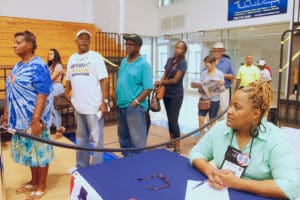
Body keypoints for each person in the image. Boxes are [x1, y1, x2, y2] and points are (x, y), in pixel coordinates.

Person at [189, 80, 300, 199]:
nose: (229, 111)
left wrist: (237, 183)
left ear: (255, 114)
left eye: (237, 107)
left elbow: (291, 186)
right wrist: (211, 171)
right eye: (230, 105)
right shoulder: (220, 128)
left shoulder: (275, 139)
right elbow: (196, 153)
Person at [3, 30, 53, 200]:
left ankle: (42, 185)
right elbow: (12, 90)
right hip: (19, 119)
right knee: (29, 152)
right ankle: (34, 181)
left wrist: (36, 119)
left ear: (29, 45)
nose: (14, 45)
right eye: (14, 42)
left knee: (40, 152)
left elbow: (43, 93)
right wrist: (6, 112)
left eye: (18, 42)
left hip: (35, 118)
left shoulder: (38, 65)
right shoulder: (18, 65)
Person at [65, 30, 109, 168]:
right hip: (78, 106)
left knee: (96, 140)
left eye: (86, 39)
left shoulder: (96, 57)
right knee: (81, 137)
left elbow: (104, 81)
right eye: (81, 38)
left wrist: (105, 102)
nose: (84, 40)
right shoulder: (72, 58)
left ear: (90, 42)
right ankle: (81, 165)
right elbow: (69, 79)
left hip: (94, 106)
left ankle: (97, 167)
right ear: (76, 41)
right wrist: (66, 92)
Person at [116, 33, 153, 157]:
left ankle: (138, 165)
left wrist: (135, 103)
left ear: (138, 46)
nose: (128, 46)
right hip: (121, 105)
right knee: (123, 138)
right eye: (126, 44)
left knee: (137, 140)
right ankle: (127, 162)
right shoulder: (124, 61)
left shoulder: (143, 64)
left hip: (135, 108)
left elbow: (148, 88)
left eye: (131, 44)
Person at [154, 40, 188, 153]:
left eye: (180, 48)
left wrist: (162, 83)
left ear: (184, 51)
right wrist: (160, 81)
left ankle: (177, 146)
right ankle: (171, 140)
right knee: (169, 119)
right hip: (166, 94)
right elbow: (165, 74)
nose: (177, 49)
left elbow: (175, 80)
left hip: (176, 95)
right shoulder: (169, 60)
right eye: (176, 47)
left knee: (174, 120)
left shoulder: (183, 63)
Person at [191, 55, 224, 137]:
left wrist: (220, 84)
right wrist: (195, 86)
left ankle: (210, 139)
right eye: (205, 65)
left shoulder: (220, 73)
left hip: (214, 100)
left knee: (212, 120)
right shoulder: (203, 73)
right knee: (201, 118)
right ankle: (201, 137)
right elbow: (201, 84)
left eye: (208, 65)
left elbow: (222, 87)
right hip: (204, 99)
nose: (206, 67)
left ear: (213, 63)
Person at [47, 48, 66, 140]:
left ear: (56, 55)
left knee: (55, 109)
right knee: (49, 109)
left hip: (56, 87)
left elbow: (51, 78)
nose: (49, 55)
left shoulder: (58, 66)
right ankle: (60, 128)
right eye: (48, 54)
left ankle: (58, 130)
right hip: (50, 88)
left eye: (51, 54)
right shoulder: (50, 66)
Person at [212, 42, 235, 112]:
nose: (216, 53)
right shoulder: (210, 60)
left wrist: (222, 75)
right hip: (212, 89)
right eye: (214, 51)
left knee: (223, 110)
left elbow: (233, 76)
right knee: (212, 112)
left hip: (223, 90)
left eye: (218, 51)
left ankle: (222, 122)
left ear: (222, 51)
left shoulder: (227, 61)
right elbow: (204, 72)